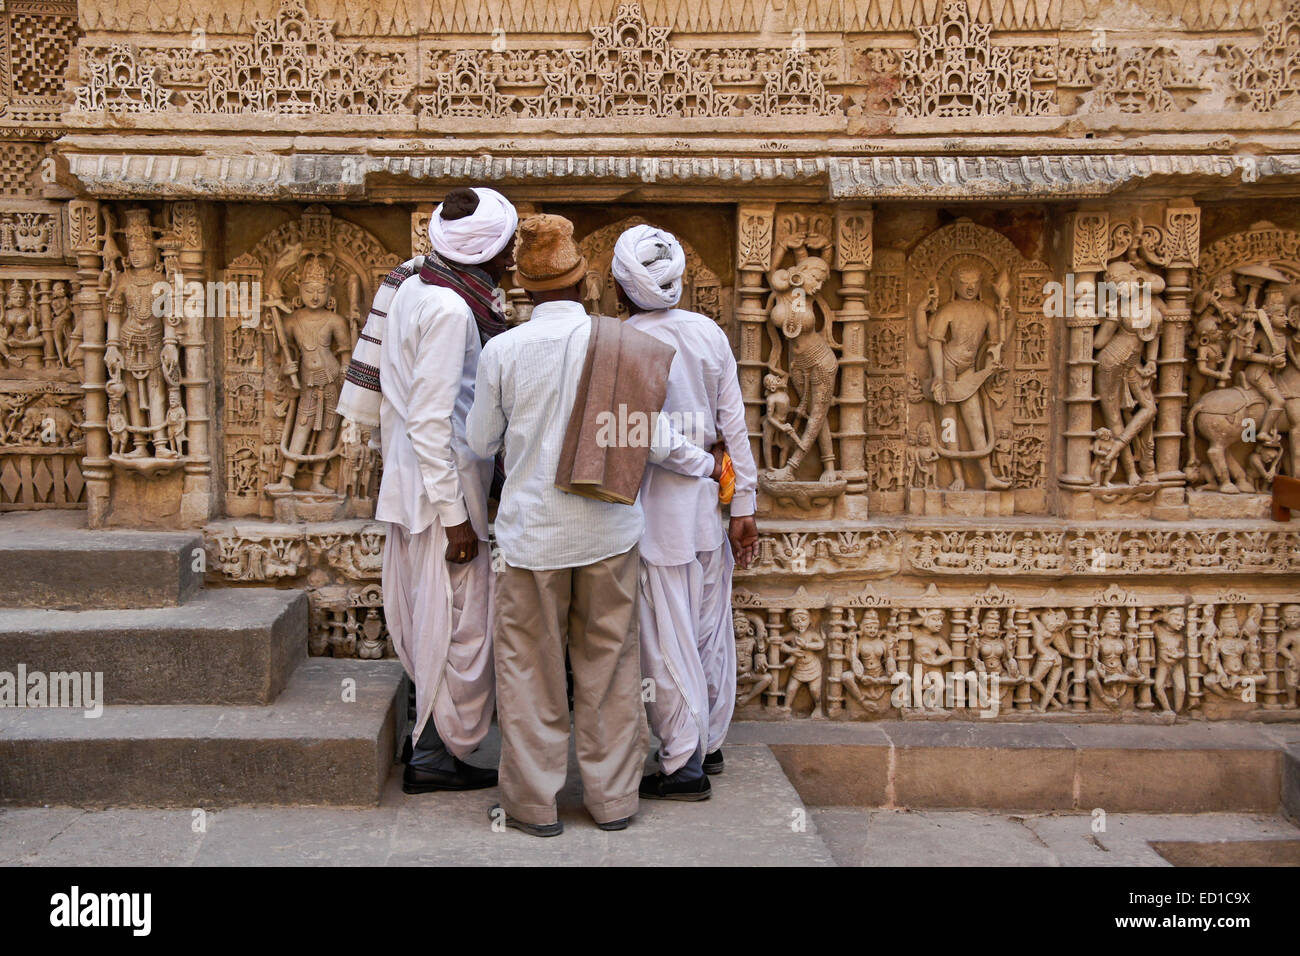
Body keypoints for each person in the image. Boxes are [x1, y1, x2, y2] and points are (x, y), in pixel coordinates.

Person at [466, 213, 722, 837]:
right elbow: (652, 440)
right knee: (609, 671)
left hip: (531, 540)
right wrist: (712, 468)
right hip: (610, 534)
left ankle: (534, 805)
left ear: (524, 288)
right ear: (584, 285)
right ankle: (612, 801)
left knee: (531, 671)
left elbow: (479, 441)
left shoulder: (503, 350)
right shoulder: (622, 344)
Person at [375, 186, 517, 794]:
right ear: (484, 249)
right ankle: (434, 755)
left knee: (435, 619)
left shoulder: (415, 285)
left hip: (415, 487)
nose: (512, 258)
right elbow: (431, 420)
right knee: (459, 626)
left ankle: (431, 748)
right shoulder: (452, 311)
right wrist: (457, 517)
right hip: (441, 497)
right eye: (507, 245)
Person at [610, 224, 758, 800]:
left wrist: (706, 468)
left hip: (660, 513)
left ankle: (682, 764)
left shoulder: (622, 345)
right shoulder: (708, 333)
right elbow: (735, 424)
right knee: (705, 630)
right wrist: (741, 499)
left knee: (665, 640)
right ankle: (708, 743)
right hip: (709, 513)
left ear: (621, 289)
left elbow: (649, 435)